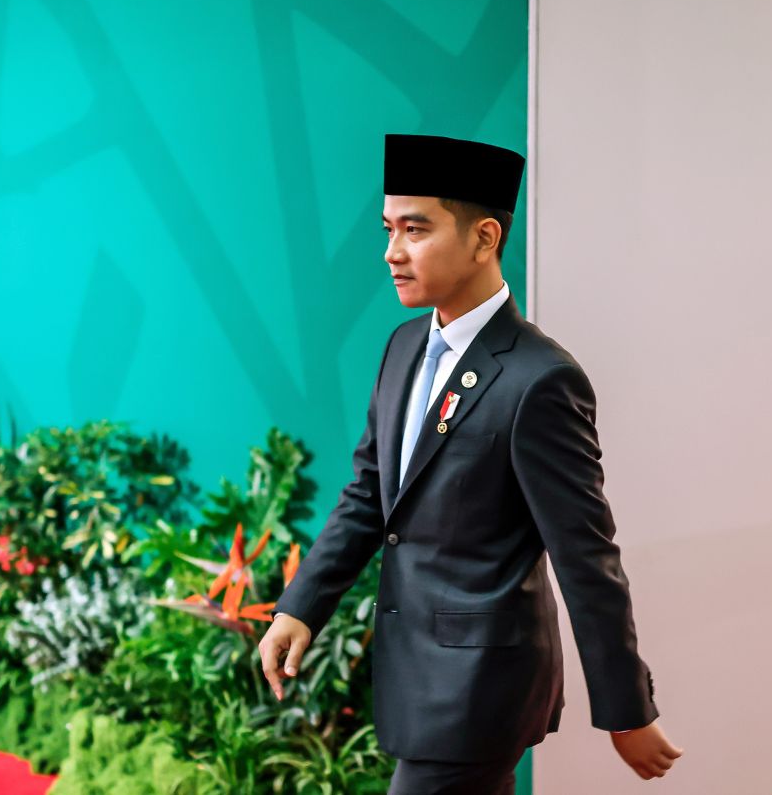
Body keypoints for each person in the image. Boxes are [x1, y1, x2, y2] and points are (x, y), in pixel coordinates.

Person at [258, 133, 683, 793]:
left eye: (415, 230)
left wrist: (626, 711)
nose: (391, 252)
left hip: (479, 688)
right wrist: (301, 607)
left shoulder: (541, 381)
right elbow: (372, 494)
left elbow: (585, 558)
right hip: (420, 677)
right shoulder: (403, 347)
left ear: (484, 239)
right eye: (388, 229)